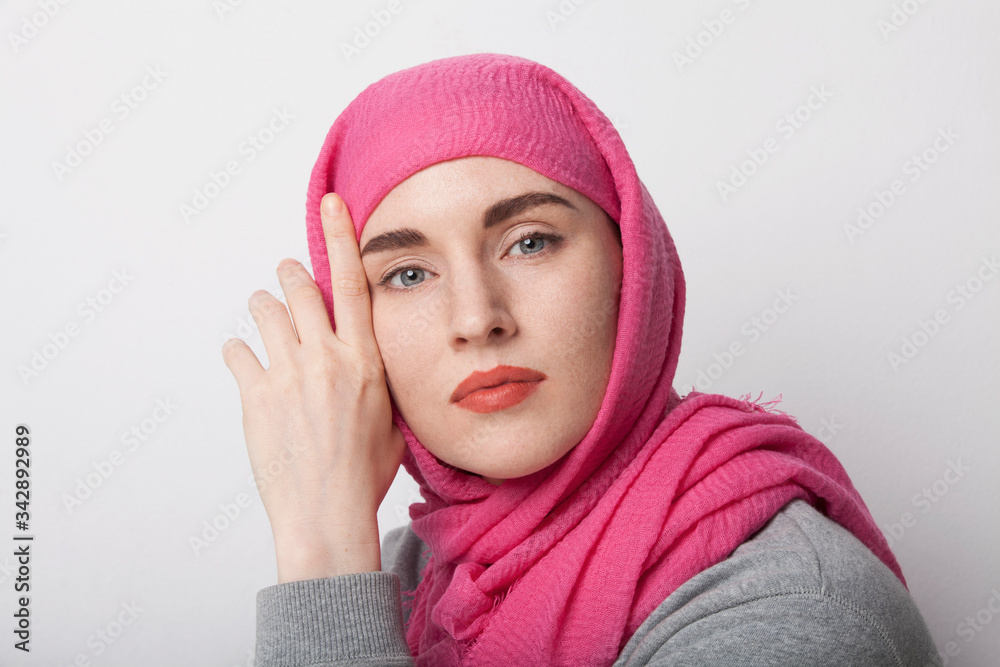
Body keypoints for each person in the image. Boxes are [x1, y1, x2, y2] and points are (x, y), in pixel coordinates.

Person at [222, 53, 942, 666]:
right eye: (407, 274)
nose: (477, 319)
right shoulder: (402, 572)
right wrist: (332, 552)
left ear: (634, 264)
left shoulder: (790, 607)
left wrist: (320, 563)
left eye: (530, 241)